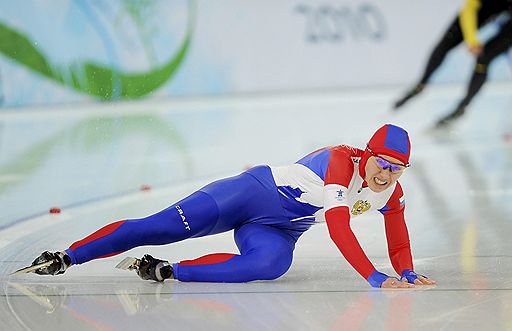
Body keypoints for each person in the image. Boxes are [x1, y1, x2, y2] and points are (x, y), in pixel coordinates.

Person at [27, 124, 436, 288]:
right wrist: (373, 277)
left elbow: (398, 237)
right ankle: (66, 256)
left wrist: (406, 271)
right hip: (247, 193)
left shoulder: (391, 192)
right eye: (382, 164)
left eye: (397, 170)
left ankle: (166, 270)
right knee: (159, 227)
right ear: (368, 155)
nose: (385, 176)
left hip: (277, 229)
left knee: (271, 265)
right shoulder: (340, 161)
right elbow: (339, 228)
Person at [393, 0, 512, 128]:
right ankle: (421, 84)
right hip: (484, 8)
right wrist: (471, 40)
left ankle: (462, 106)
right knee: (447, 41)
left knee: (484, 58)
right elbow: (469, 9)